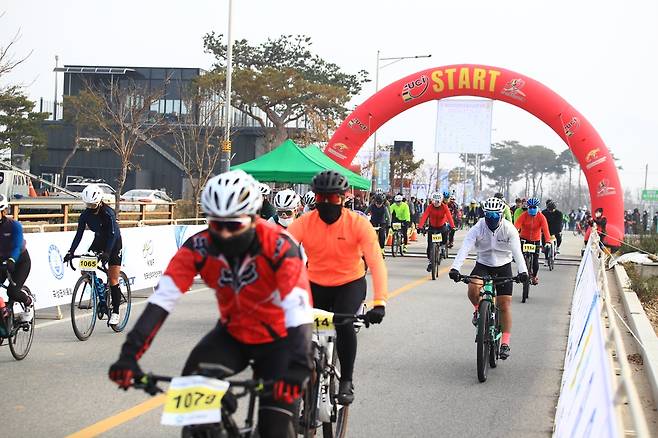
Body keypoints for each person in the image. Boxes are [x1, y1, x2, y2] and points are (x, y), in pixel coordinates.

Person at [109, 170, 312, 437]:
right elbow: (161, 301)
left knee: (275, 427)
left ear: (253, 219)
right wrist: (129, 355)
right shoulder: (199, 246)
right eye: (217, 225)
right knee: (194, 412)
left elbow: (298, 311)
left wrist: (299, 365)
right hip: (232, 335)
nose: (225, 235)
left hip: (279, 340)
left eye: (234, 226)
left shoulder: (280, 246)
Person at [288, 170, 388, 405]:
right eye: (321, 198)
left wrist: (379, 302)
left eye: (332, 199)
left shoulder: (358, 224)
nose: (326, 203)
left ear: (343, 198)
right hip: (314, 284)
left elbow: (376, 263)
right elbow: (279, 253)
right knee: (298, 329)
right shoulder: (304, 222)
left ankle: (346, 381)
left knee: (343, 326)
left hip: (349, 284)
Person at [449, 197, 528, 360]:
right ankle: (478, 310)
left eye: (495, 216)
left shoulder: (509, 229)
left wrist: (523, 271)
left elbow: (517, 252)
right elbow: (465, 247)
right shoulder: (478, 227)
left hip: (503, 266)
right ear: (484, 215)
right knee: (472, 287)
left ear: (501, 216)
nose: (491, 219)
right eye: (488, 216)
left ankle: (505, 342)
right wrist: (455, 268)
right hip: (483, 263)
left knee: (504, 304)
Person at [64, 184, 124, 325]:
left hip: (114, 243)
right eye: (88, 205)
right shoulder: (85, 215)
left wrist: (107, 253)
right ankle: (100, 288)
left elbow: (112, 235)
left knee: (113, 278)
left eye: (93, 205)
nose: (91, 208)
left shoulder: (108, 213)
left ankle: (115, 311)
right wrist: (70, 252)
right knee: (85, 269)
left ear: (99, 202)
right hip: (98, 241)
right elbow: (78, 235)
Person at [0, 194, 33, 323]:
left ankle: (28, 302)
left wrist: (12, 259)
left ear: (4, 212)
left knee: (12, 292)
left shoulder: (14, 225)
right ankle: (4, 313)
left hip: (20, 261)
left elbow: (17, 246)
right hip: (2, 262)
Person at [514, 198, 551, 285]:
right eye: (530, 207)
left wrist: (548, 241)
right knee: (521, 257)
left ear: (537, 208)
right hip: (524, 238)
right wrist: (513, 236)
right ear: (528, 207)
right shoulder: (524, 215)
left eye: (534, 207)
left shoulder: (541, 217)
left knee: (535, 260)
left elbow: (545, 230)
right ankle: (521, 273)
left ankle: (534, 276)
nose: (532, 209)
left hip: (535, 240)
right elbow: (516, 226)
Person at [419, 192, 455, 272]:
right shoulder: (430, 207)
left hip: (441, 227)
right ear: (432, 201)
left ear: (441, 201)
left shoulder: (444, 207)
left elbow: (449, 217)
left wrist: (452, 226)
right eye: (435, 201)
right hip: (432, 227)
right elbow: (424, 216)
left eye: (438, 201)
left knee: (445, 234)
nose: (436, 203)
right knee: (430, 245)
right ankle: (430, 261)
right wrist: (420, 226)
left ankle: (442, 248)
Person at [365, 192, 391, 257]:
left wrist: (389, 224)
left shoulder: (384, 208)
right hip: (373, 221)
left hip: (382, 222)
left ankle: (382, 249)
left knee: (382, 235)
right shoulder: (371, 206)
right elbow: (365, 213)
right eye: (377, 203)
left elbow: (388, 216)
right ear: (375, 202)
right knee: (370, 234)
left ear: (382, 203)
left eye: (380, 203)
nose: (378, 205)